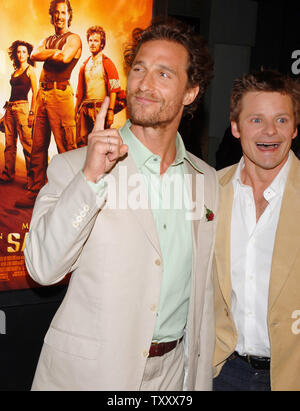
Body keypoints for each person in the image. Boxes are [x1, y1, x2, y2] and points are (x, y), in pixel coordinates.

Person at [24, 18, 218, 391]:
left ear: (190, 93)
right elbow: (43, 268)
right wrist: (90, 179)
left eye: (164, 74)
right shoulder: (73, 166)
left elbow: (204, 293)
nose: (144, 84)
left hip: (175, 374)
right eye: (139, 69)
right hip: (93, 376)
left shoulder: (205, 180)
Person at [213, 70, 300, 391]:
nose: (270, 132)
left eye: (281, 120)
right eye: (256, 120)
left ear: (294, 127)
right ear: (235, 127)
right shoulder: (211, 192)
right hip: (223, 371)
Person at [15, 0, 82, 208]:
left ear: (68, 15)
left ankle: (72, 198)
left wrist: (51, 53)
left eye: (63, 13)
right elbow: (34, 54)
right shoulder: (48, 39)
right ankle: (34, 191)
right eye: (56, 13)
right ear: (51, 15)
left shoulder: (74, 39)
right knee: (37, 146)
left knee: (67, 148)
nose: (59, 16)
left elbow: (65, 57)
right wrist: (53, 53)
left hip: (60, 95)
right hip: (43, 95)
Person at [75, 25, 125, 147]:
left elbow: (114, 89)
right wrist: (76, 111)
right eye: (90, 40)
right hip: (85, 109)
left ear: (102, 43)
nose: (92, 43)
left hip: (100, 108)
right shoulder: (84, 65)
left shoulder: (107, 63)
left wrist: (110, 111)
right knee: (83, 144)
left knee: (100, 144)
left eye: (96, 40)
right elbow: (80, 91)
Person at [0, 40, 37, 184]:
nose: (21, 54)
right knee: (9, 144)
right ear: (16, 54)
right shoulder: (15, 72)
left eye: (24, 52)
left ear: (28, 55)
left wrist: (32, 113)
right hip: (10, 108)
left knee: (27, 144)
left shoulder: (30, 71)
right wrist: (5, 113)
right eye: (19, 52)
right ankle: (8, 174)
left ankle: (33, 179)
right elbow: (12, 93)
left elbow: (35, 92)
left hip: (23, 109)